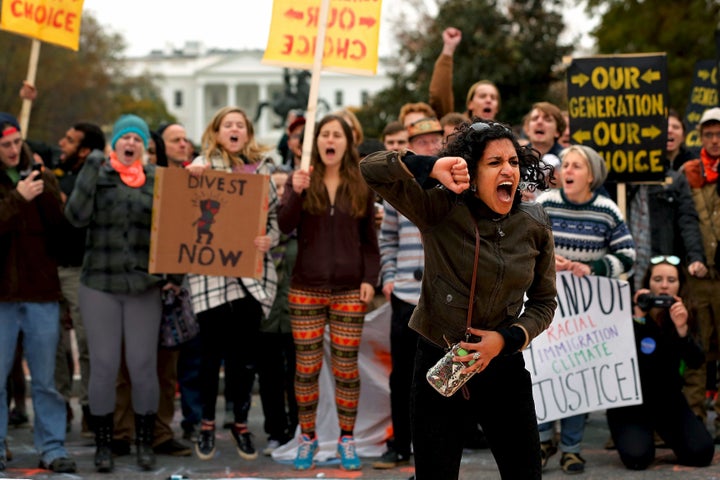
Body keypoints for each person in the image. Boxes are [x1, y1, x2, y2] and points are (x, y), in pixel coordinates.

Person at [361, 120, 558, 479]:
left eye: (513, 162)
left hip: (503, 364)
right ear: (470, 169)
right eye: (494, 162)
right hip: (440, 359)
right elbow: (370, 168)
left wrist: (505, 340)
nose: (508, 170)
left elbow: (545, 303)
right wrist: (428, 165)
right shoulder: (440, 209)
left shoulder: (535, 223)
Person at [65, 114, 180, 472]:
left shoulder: (160, 181)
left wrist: (174, 274)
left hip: (143, 286)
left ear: (146, 146)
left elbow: (177, 230)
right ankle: (104, 443)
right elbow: (75, 217)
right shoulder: (98, 175)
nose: (130, 143)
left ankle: (144, 442)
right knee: (103, 366)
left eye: (137, 138)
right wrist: (89, 168)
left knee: (143, 366)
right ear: (115, 144)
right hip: (100, 284)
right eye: (124, 138)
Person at [278, 114, 380, 471]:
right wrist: (295, 190)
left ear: (347, 143)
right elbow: (285, 224)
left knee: (346, 369)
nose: (330, 140)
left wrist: (371, 277)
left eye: (337, 134)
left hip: (350, 289)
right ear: (315, 142)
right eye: (324, 134)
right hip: (305, 288)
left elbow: (370, 240)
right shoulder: (303, 180)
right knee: (306, 369)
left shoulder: (361, 184)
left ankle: (346, 439)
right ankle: (307, 437)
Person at [185, 106, 279, 462]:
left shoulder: (265, 169)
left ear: (248, 133)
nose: (235, 129)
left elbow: (273, 219)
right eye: (228, 124)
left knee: (243, 359)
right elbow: (185, 208)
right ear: (217, 131)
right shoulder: (202, 165)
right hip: (212, 276)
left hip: (250, 277)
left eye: (240, 124)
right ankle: (207, 424)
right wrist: (190, 177)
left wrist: (268, 238)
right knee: (210, 358)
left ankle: (240, 423)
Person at [535, 145, 636, 474]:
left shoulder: (607, 211)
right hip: (545, 302)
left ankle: (572, 449)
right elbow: (523, 245)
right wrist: (550, 261)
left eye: (576, 166)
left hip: (586, 311)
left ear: (591, 175)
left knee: (576, 374)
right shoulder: (545, 204)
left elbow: (627, 258)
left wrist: (591, 269)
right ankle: (543, 439)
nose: (568, 171)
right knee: (544, 371)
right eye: (565, 165)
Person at [0, 112, 76, 473]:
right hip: (2, 296)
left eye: (17, 143)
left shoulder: (40, 175)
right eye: (5, 145)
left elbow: (61, 236)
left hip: (41, 291)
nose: (14, 150)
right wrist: (17, 197)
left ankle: (52, 446)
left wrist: (46, 193)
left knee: (46, 380)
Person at [606, 256, 713, 470]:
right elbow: (617, 353)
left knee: (701, 454)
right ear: (648, 283)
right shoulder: (630, 310)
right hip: (631, 403)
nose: (664, 285)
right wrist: (638, 318)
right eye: (658, 279)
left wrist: (683, 330)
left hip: (668, 400)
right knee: (637, 459)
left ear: (680, 285)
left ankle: (660, 433)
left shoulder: (685, 313)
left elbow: (697, 361)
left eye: (671, 280)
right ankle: (635, 434)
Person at [54, 122, 107, 438]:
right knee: (54, 346)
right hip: (49, 270)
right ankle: (60, 406)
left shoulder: (95, 178)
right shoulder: (51, 172)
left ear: (85, 151)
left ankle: (90, 408)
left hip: (81, 270)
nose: (62, 143)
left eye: (70, 140)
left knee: (88, 343)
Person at [681, 107, 720, 441]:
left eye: (719, 134)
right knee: (697, 349)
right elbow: (686, 219)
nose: (714, 140)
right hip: (698, 276)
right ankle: (694, 419)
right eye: (708, 134)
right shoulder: (690, 171)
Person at [257, 168, 298, 456]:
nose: (280, 194)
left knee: (299, 375)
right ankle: (275, 429)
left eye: (286, 188)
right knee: (269, 376)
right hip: (266, 315)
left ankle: (298, 428)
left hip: (297, 315)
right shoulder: (259, 232)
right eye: (276, 187)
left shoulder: (303, 229)